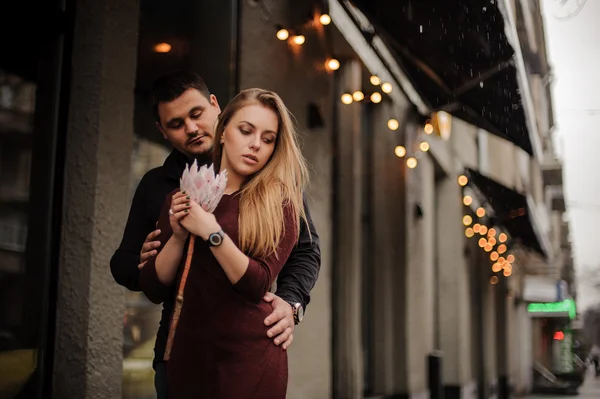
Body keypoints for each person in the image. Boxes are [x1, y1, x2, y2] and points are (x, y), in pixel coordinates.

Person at [110, 71, 321, 397]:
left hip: (246, 349)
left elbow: (304, 250)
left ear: (215, 107)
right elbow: (124, 265)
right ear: (162, 132)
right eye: (176, 124)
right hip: (178, 348)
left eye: (196, 114)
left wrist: (292, 302)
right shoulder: (160, 185)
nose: (191, 128)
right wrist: (152, 258)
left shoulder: (274, 188)